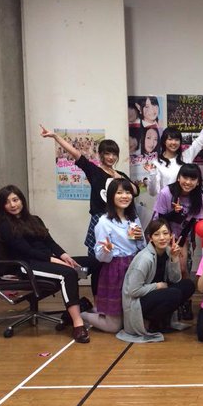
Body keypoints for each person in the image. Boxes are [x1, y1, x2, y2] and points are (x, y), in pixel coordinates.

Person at [40, 125, 139, 294]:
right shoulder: (94, 171)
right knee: (97, 262)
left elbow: (135, 191)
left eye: (114, 154)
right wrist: (55, 137)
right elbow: (76, 154)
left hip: (120, 221)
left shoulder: (120, 175)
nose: (111, 157)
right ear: (100, 154)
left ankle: (117, 297)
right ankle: (95, 299)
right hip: (100, 220)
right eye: (107, 153)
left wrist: (119, 177)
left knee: (119, 260)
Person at [0, 185, 92, 343]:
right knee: (69, 273)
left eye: (15, 200)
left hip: (46, 260)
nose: (12, 205)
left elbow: (50, 242)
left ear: (21, 200)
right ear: (2, 206)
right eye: (7, 202)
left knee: (93, 262)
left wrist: (64, 256)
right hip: (27, 266)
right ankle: (77, 323)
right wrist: (54, 260)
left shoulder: (35, 220)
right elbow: (27, 251)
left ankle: (98, 308)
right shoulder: (5, 225)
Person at [118, 218, 196, 343]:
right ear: (150, 238)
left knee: (188, 285)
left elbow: (175, 279)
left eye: (165, 233)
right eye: (157, 234)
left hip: (155, 295)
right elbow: (133, 291)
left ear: (171, 235)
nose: (162, 238)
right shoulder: (144, 259)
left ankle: (160, 321)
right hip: (138, 302)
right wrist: (157, 286)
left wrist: (174, 258)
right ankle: (149, 322)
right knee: (174, 294)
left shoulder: (168, 251)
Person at [86, 178, 146, 333]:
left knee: (131, 319)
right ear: (111, 196)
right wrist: (107, 250)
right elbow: (101, 257)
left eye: (127, 192)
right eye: (119, 193)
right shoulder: (104, 222)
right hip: (115, 270)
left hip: (134, 267)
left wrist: (140, 238)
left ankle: (99, 311)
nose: (124, 196)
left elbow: (142, 248)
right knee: (113, 327)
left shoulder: (133, 218)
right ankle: (81, 315)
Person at [152, 163, 203, 278]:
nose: (188, 182)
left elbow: (191, 222)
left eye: (193, 179)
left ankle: (183, 289)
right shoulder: (166, 193)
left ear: (198, 182)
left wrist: (181, 243)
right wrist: (175, 213)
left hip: (181, 234)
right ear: (178, 178)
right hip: (161, 232)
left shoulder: (199, 197)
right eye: (185, 177)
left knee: (182, 268)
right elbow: (160, 220)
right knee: (163, 268)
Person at [146, 122, 203, 196]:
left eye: (177, 139)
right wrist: (152, 173)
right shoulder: (157, 163)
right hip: (166, 201)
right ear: (164, 141)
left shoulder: (185, 156)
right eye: (170, 139)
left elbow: (199, 141)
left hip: (186, 201)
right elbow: (152, 193)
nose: (174, 142)